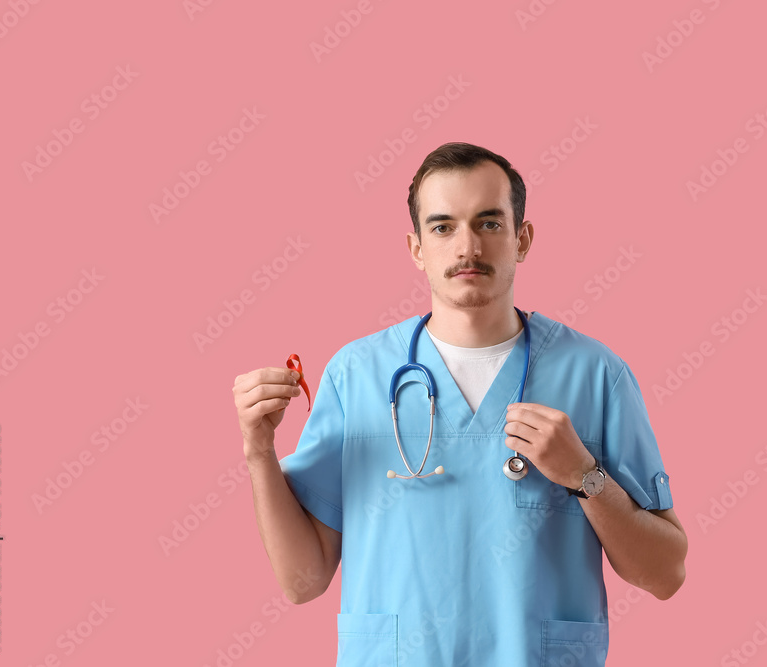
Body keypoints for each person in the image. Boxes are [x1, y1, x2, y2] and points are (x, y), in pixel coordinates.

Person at [232, 142, 687, 666]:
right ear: (417, 248)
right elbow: (302, 581)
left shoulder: (595, 375)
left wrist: (584, 476)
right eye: (443, 227)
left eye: (489, 223)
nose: (467, 247)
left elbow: (664, 574)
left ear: (522, 238)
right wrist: (259, 451)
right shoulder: (355, 376)